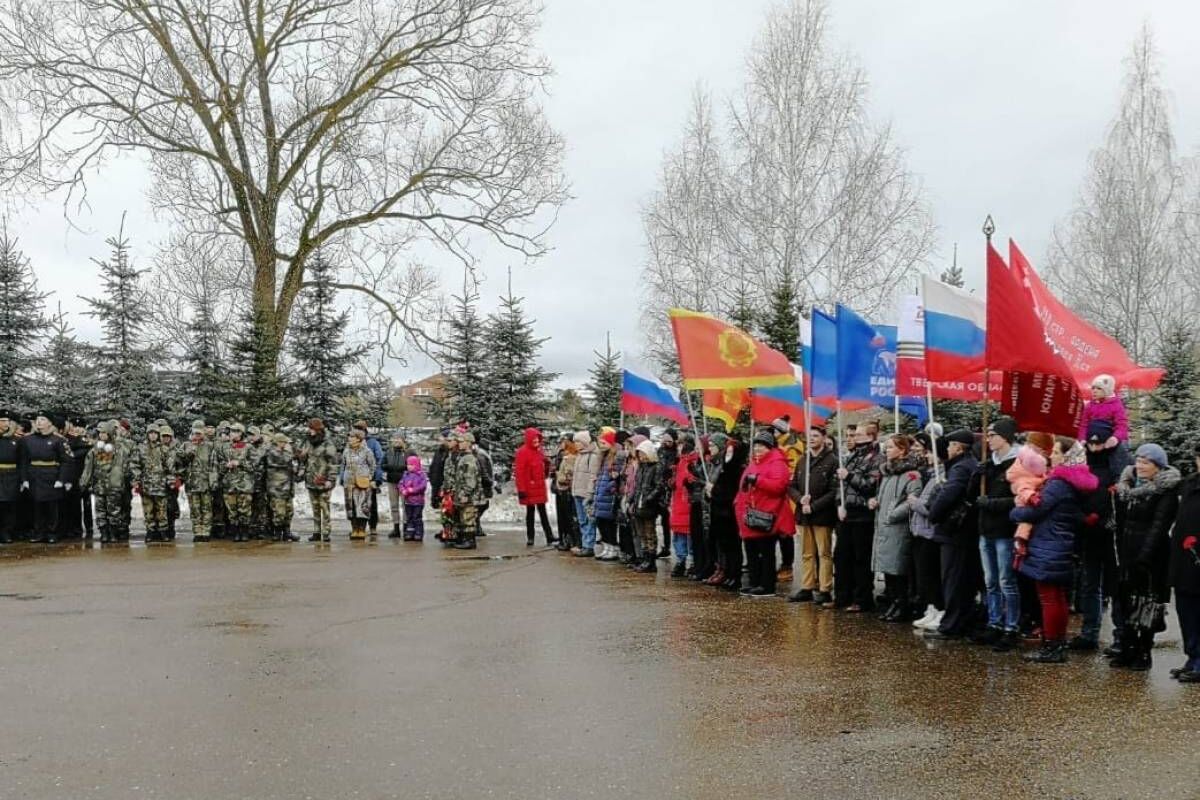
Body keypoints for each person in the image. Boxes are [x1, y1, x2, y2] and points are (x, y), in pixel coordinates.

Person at [1011, 436, 1099, 663]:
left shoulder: (1058, 484)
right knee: (1057, 597)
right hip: (1060, 543)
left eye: (1057, 452)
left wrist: (1015, 513)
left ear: (1067, 457)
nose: (1051, 456)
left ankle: (1052, 645)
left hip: (1048, 544)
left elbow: (1038, 508)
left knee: (1049, 597)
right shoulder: (1074, 483)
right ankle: (1056, 643)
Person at [1111, 442, 1180, 671]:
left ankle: (1144, 650)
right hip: (1126, 551)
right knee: (1126, 600)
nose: (1140, 466)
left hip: (1151, 555)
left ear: (1157, 466)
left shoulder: (1165, 491)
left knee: (1147, 603)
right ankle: (1128, 647)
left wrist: (1145, 556)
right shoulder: (1127, 488)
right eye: (1138, 461)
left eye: (1146, 462)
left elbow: (1159, 526)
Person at [1073, 418, 1132, 651]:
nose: (1095, 447)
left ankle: (1121, 635)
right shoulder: (1083, 464)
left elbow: (1126, 495)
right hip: (1089, 533)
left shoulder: (1119, 465)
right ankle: (1089, 633)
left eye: (1099, 443)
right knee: (1089, 585)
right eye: (1091, 443)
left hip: (1113, 536)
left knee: (1116, 587)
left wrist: (1112, 515)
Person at [925, 429, 980, 640]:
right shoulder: (967, 465)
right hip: (961, 531)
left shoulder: (960, 468)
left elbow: (949, 496)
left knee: (953, 578)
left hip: (955, 530)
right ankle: (959, 620)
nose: (947, 449)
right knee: (959, 578)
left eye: (949, 445)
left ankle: (951, 624)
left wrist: (933, 513)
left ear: (958, 446)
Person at [973, 417, 1021, 650]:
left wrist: (992, 504)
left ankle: (1011, 626)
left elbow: (1020, 499)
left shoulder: (1018, 463)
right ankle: (994, 622)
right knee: (990, 581)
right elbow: (972, 494)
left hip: (1004, 530)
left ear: (1005, 437)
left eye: (993, 435)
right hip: (986, 530)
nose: (988, 439)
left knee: (1005, 581)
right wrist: (977, 474)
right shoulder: (989, 463)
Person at [734, 430, 794, 597]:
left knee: (765, 552)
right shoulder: (755, 462)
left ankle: (767, 585)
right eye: (756, 445)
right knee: (752, 550)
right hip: (751, 514)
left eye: (762, 445)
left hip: (767, 515)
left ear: (770, 447)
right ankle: (754, 582)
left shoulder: (777, 463)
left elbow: (779, 487)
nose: (758, 448)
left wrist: (758, 480)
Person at [872, 434, 923, 622]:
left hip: (898, 526)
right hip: (884, 525)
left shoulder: (912, 475)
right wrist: (875, 502)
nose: (887, 450)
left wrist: (892, 514)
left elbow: (912, 499)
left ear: (902, 450)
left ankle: (902, 603)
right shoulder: (887, 473)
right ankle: (893, 601)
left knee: (897, 568)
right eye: (886, 447)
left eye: (891, 447)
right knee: (887, 567)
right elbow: (882, 495)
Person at [833, 423, 882, 611]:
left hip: (863, 514)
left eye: (857, 434)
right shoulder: (853, 455)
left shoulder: (877, 458)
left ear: (870, 436)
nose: (852, 438)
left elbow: (870, 485)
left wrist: (849, 476)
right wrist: (839, 504)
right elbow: (840, 486)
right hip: (847, 513)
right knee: (842, 557)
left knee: (860, 559)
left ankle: (862, 599)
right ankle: (842, 596)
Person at [788, 425, 838, 604]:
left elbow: (834, 491)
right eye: (809, 436)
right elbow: (792, 485)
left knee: (824, 552)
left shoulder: (832, 461)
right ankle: (807, 586)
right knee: (806, 553)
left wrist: (815, 506)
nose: (812, 439)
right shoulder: (803, 460)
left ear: (824, 438)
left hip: (822, 515)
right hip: (803, 514)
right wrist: (800, 499)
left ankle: (825, 588)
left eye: (816, 436)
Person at [908, 434, 947, 631]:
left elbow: (933, 508)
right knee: (924, 574)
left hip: (931, 533)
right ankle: (931, 608)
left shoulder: (941, 477)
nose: (927, 456)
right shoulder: (932, 475)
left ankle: (939, 609)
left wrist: (916, 504)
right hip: (921, 531)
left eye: (931, 453)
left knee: (932, 573)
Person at [1170, 445, 1200, 683]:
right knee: (1186, 611)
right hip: (1183, 558)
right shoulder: (1190, 483)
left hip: (1197, 557)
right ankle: (1192, 657)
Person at [19, 413, 72, 544]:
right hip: (34, 476)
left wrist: (62, 479)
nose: (39, 422)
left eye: (43, 419)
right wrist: (24, 479)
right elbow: (23, 461)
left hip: (51, 476)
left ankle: (52, 532)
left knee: (51, 507)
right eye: (37, 420)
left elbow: (66, 461)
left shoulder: (58, 440)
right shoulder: (27, 440)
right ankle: (38, 532)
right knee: (36, 506)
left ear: (50, 423)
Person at [80, 421, 133, 544]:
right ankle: (104, 532)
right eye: (100, 433)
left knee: (114, 510)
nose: (102, 435)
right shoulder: (95, 450)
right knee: (100, 510)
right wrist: (84, 483)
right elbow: (88, 468)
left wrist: (124, 480)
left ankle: (113, 532)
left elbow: (125, 466)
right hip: (99, 485)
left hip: (114, 485)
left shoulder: (119, 449)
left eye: (104, 432)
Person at [772, 416, 805, 585]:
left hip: (787, 496)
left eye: (774, 430)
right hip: (778, 496)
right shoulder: (779, 445)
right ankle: (783, 565)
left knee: (785, 532)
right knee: (777, 531)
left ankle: (787, 567)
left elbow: (792, 472)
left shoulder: (791, 448)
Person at [216, 423, 260, 543]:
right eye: (230, 431)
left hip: (244, 484)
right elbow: (218, 463)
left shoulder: (249, 447)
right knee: (232, 510)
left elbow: (255, 465)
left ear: (241, 433)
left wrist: (240, 463)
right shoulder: (224, 447)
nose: (231, 434)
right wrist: (225, 465)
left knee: (244, 510)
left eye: (235, 431)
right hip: (229, 484)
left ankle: (244, 532)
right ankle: (235, 532)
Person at [298, 418, 339, 543]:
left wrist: (331, 480)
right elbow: (304, 461)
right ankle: (316, 531)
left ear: (318, 429)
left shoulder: (327, 443)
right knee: (315, 507)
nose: (309, 431)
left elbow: (333, 463)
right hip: (311, 479)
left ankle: (326, 532)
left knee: (324, 507)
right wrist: (301, 457)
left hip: (323, 480)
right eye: (309, 428)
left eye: (312, 429)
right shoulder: (308, 442)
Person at [668, 432, 702, 577]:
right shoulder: (680, 461)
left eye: (681, 444)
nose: (678, 447)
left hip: (687, 502)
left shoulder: (694, 461)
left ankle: (692, 561)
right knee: (678, 534)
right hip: (677, 503)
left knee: (689, 535)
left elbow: (694, 481)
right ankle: (680, 560)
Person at [514, 427, 555, 546]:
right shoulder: (522, 452)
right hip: (528, 487)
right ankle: (530, 537)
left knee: (543, 512)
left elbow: (543, 467)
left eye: (538, 440)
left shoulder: (539, 451)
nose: (536, 442)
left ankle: (549, 535)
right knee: (530, 512)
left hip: (539, 486)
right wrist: (521, 489)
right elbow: (519, 472)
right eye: (534, 440)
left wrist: (547, 467)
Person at [178, 421, 216, 543]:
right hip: (192, 483)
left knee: (206, 509)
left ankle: (206, 532)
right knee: (194, 510)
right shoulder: (185, 445)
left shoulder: (209, 446)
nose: (197, 435)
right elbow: (178, 462)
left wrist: (213, 481)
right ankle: (197, 532)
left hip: (205, 483)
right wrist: (189, 453)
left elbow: (213, 465)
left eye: (199, 433)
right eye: (195, 433)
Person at [630, 439, 665, 573]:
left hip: (648, 505)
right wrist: (632, 499)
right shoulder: (641, 467)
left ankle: (651, 560)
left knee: (650, 532)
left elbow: (659, 486)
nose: (641, 456)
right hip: (639, 502)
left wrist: (649, 498)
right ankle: (645, 558)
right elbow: (637, 485)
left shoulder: (656, 467)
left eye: (643, 453)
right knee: (641, 533)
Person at [592, 431, 623, 563]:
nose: (601, 445)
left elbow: (617, 476)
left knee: (609, 523)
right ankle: (606, 546)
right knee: (601, 521)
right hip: (601, 493)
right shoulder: (603, 457)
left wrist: (610, 486)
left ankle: (612, 547)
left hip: (608, 495)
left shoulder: (616, 457)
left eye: (604, 443)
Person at [342, 428, 378, 541]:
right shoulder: (346, 451)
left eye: (352, 437)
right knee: (351, 506)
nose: (349, 439)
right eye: (349, 437)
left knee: (362, 506)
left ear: (358, 439)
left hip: (362, 483)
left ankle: (362, 529)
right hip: (349, 483)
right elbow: (343, 465)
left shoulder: (367, 451)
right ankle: (354, 529)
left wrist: (369, 478)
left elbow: (373, 466)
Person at [570, 430, 600, 558]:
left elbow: (593, 476)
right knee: (582, 520)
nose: (576, 444)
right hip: (577, 491)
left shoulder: (592, 456)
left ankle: (588, 545)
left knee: (589, 520)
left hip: (586, 493)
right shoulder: (580, 455)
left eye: (578, 442)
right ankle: (584, 544)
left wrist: (590, 492)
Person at [352, 421, 385, 537]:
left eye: (359, 429)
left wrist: (377, 479)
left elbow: (380, 460)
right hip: (355, 479)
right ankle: (358, 528)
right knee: (356, 504)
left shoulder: (373, 443)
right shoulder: (352, 443)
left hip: (369, 479)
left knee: (371, 504)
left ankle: (373, 526)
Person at [264, 433, 299, 541]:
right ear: (278, 442)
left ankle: (287, 531)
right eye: (284, 442)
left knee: (289, 511)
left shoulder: (285, 453)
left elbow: (292, 467)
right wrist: (291, 453)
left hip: (287, 486)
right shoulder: (272, 452)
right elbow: (283, 461)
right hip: (277, 487)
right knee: (279, 511)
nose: (286, 444)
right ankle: (277, 532)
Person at [450, 432, 482, 549]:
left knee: (468, 517)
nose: (459, 444)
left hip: (469, 495)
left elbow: (470, 479)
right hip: (461, 493)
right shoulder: (462, 457)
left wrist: (466, 493)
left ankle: (470, 540)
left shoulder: (469, 459)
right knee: (462, 517)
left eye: (462, 442)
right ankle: (463, 538)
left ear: (468, 443)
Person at [382, 433, 415, 538]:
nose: (396, 441)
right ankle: (396, 528)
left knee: (405, 505)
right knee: (394, 505)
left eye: (398, 439)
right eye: (394, 439)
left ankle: (406, 527)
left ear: (403, 440)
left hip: (405, 482)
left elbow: (415, 466)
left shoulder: (409, 452)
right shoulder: (388, 452)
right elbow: (382, 464)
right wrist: (388, 467)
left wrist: (403, 468)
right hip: (392, 481)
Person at [553, 435, 579, 551]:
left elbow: (568, 475)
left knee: (568, 517)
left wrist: (561, 477)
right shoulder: (562, 455)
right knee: (562, 516)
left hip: (566, 490)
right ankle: (564, 539)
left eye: (564, 441)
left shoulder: (571, 457)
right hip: (560, 489)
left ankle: (570, 540)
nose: (562, 443)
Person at [656, 430, 679, 559]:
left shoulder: (677, 454)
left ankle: (668, 545)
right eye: (664, 439)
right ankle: (664, 546)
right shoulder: (660, 451)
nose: (665, 442)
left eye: (669, 440)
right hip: (660, 488)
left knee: (667, 519)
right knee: (662, 518)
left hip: (670, 489)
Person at [0, 410, 20, 543]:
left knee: (9, 505)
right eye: (2, 420)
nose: (5, 423)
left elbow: (21, 460)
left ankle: (6, 531)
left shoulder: (15, 440)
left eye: (7, 421)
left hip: (11, 475)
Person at [398, 455, 428, 541]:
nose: (409, 466)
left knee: (417, 517)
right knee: (409, 517)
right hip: (408, 501)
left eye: (411, 465)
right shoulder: (406, 474)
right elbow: (401, 484)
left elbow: (423, 486)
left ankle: (418, 533)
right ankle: (410, 533)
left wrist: (413, 490)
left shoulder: (421, 475)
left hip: (418, 501)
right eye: (408, 465)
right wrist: (403, 490)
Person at [472, 438, 495, 538]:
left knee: (482, 505)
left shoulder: (482, 454)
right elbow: (483, 471)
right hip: (483, 485)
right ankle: (476, 525)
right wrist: (490, 482)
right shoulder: (481, 455)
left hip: (484, 484)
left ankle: (477, 526)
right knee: (483, 505)